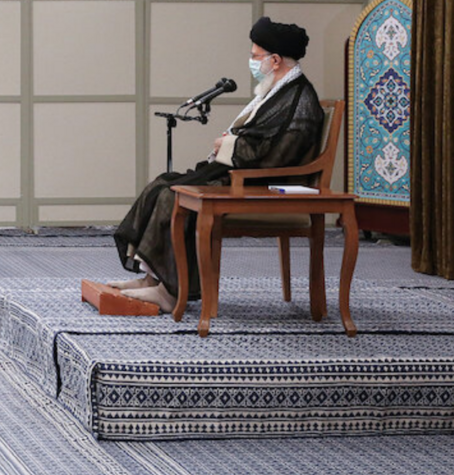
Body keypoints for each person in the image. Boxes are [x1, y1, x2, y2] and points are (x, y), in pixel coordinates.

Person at [111, 17, 325, 312]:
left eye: (255, 57)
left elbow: (281, 154)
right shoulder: (278, 90)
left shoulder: (300, 98)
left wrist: (229, 145)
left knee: (172, 196)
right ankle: (153, 279)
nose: (252, 62)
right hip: (243, 174)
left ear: (275, 60)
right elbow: (261, 136)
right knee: (163, 182)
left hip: (264, 185)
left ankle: (172, 291)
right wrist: (233, 142)